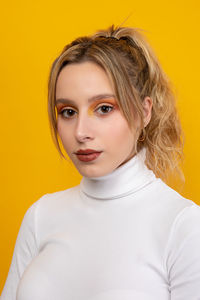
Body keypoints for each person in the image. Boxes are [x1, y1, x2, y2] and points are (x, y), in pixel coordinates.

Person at [1, 24, 200, 300]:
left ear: (144, 112)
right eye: (68, 111)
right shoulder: (40, 216)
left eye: (104, 108)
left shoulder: (184, 225)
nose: (80, 131)